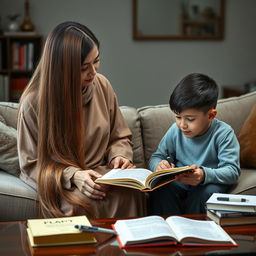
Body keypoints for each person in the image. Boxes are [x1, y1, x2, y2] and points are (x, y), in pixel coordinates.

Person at [17, 21, 146, 218]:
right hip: (65, 182)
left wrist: (118, 157)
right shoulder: (33, 103)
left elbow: (119, 137)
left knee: (132, 193)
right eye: (84, 67)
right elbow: (31, 165)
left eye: (96, 61)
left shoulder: (102, 85)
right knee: (82, 203)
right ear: (62, 69)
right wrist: (74, 175)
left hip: (104, 176)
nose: (93, 72)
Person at [149, 73, 240, 215]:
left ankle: (195, 233)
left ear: (211, 115)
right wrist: (159, 165)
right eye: (178, 117)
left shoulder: (224, 133)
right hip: (181, 181)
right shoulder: (175, 130)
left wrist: (204, 175)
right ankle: (166, 230)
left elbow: (232, 171)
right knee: (161, 189)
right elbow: (157, 156)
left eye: (190, 119)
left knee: (204, 194)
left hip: (208, 182)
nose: (182, 125)